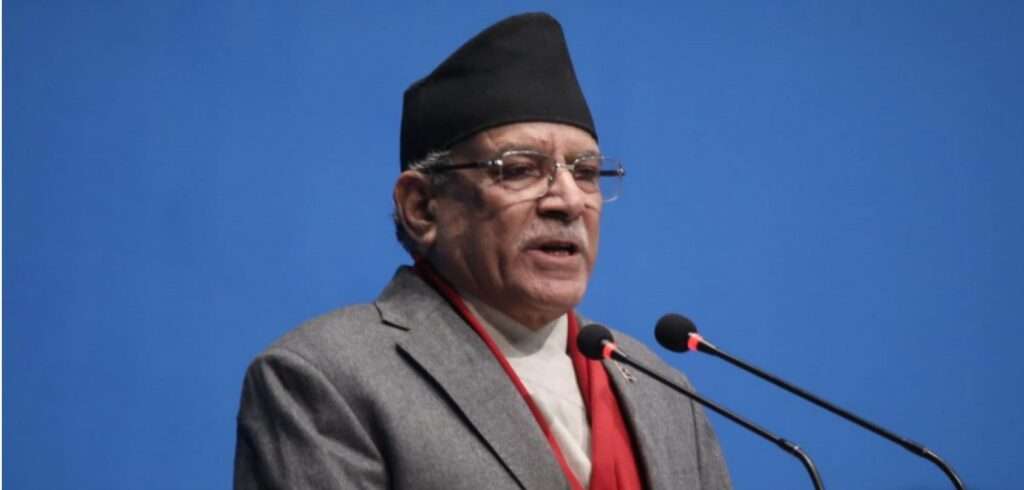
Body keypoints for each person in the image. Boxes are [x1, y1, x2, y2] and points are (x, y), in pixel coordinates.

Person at [234, 12, 731, 490]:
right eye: (519, 169)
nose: (569, 201)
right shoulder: (327, 378)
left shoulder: (664, 393)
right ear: (422, 207)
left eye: (585, 173)